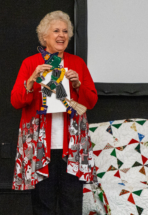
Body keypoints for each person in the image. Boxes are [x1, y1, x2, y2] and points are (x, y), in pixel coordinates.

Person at [11, 10, 98, 215]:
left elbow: (91, 101)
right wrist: (31, 80)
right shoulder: (31, 63)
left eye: (65, 31)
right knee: (43, 204)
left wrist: (77, 85)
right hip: (41, 146)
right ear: (45, 37)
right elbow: (16, 101)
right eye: (56, 31)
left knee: (72, 203)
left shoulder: (77, 63)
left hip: (72, 146)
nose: (62, 35)